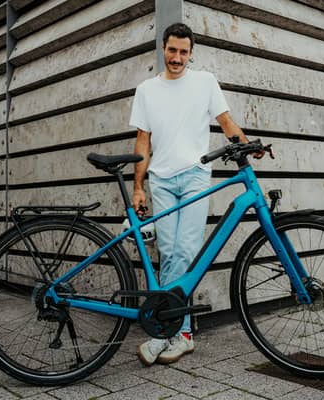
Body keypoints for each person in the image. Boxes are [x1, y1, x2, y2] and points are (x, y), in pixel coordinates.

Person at [129, 23, 263, 366]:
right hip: (160, 179)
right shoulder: (146, 89)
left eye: (183, 52)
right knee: (170, 250)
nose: (177, 58)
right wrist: (138, 186)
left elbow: (226, 120)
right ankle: (173, 330)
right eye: (172, 50)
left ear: (191, 52)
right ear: (163, 48)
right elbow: (142, 142)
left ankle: (178, 333)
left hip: (194, 176)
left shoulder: (205, 82)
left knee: (185, 251)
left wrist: (247, 145)